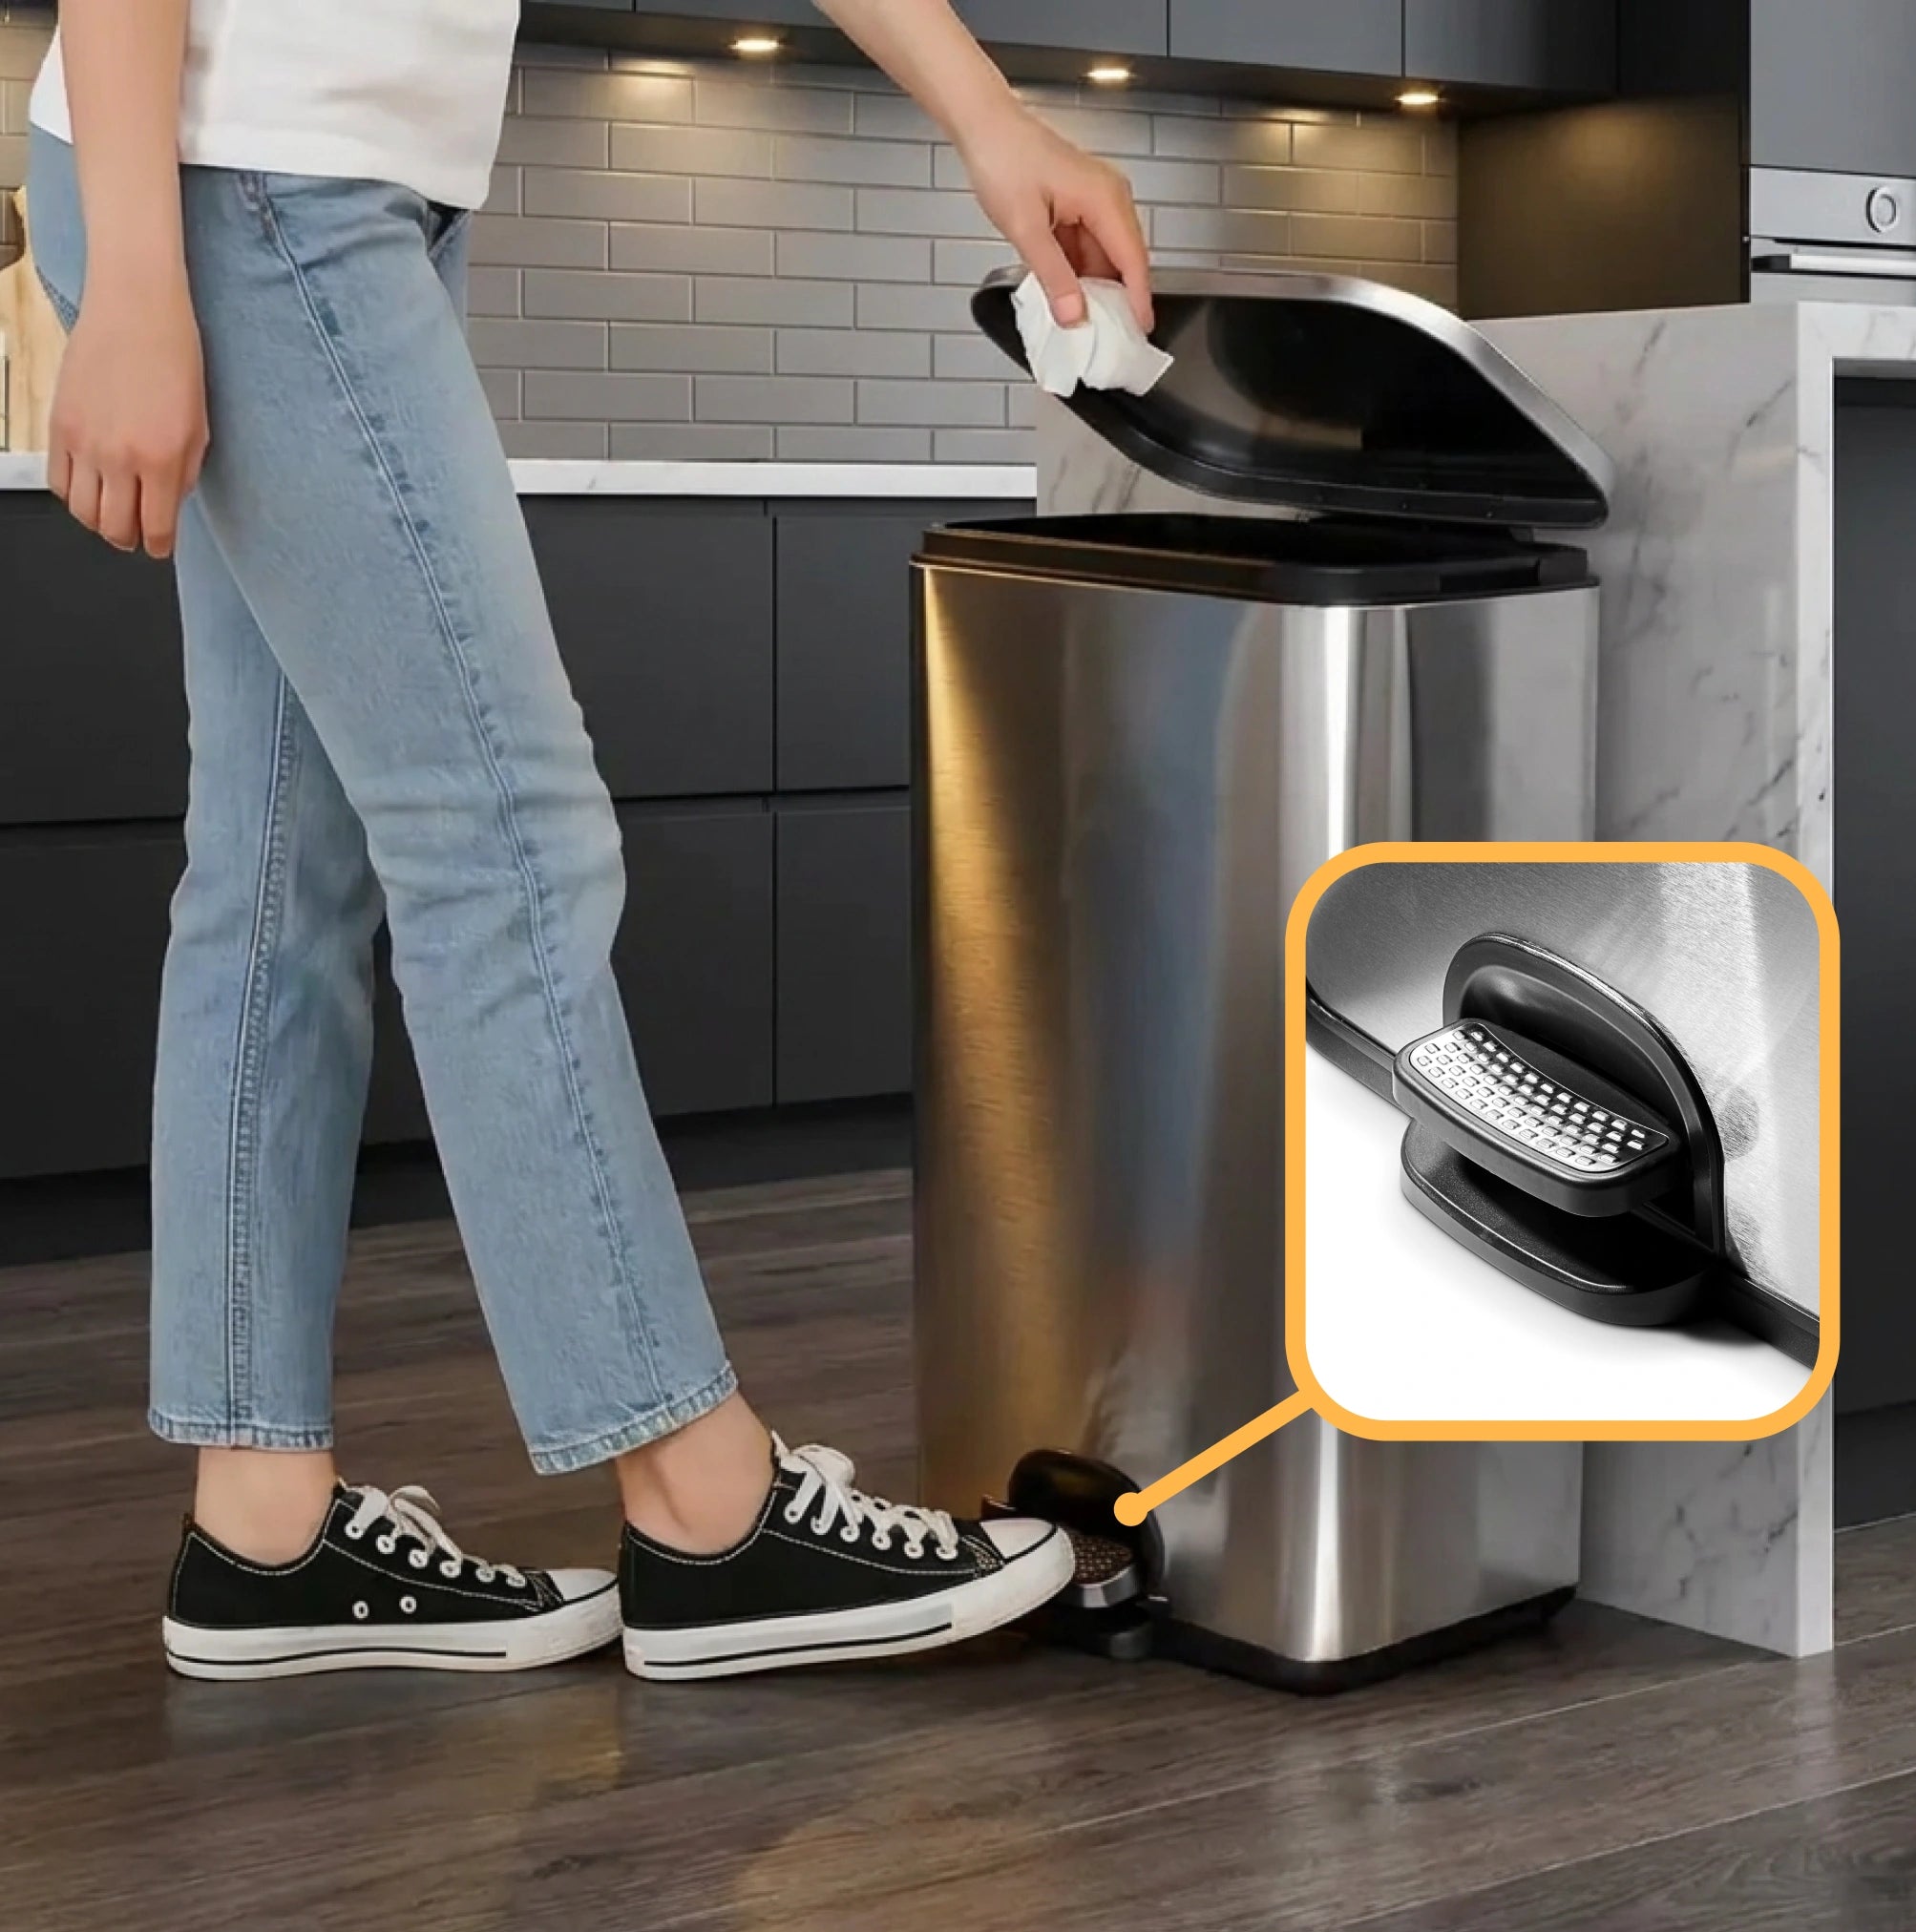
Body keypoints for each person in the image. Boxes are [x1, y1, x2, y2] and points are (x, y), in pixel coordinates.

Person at [26, 0, 1152, 1682]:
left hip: (312, 183)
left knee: (277, 861)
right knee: (503, 841)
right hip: (244, 173)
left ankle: (259, 1522)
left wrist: (993, 118)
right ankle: (706, 1510)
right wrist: (133, 271)